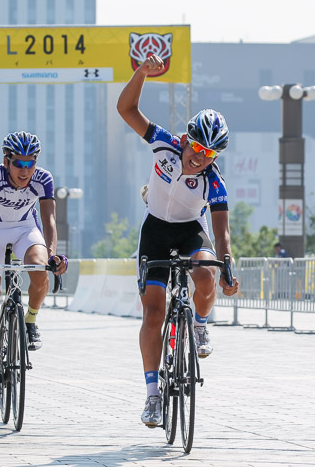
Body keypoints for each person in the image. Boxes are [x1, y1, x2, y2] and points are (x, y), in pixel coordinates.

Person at [117, 54, 241, 428]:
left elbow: (221, 232)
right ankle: (153, 397)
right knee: (153, 313)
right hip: (155, 230)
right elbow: (126, 108)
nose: (200, 159)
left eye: (210, 155)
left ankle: (201, 322)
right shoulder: (164, 144)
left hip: (189, 230)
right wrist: (142, 73)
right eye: (197, 150)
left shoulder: (213, 182)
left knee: (205, 273)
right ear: (186, 140)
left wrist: (228, 266)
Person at [0, 131, 67, 409]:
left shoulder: (43, 179)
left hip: (27, 229)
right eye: (18, 164)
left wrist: (53, 255)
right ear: (6, 161)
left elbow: (48, 220)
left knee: (39, 269)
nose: (25, 171)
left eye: (30, 163)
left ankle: (30, 320)